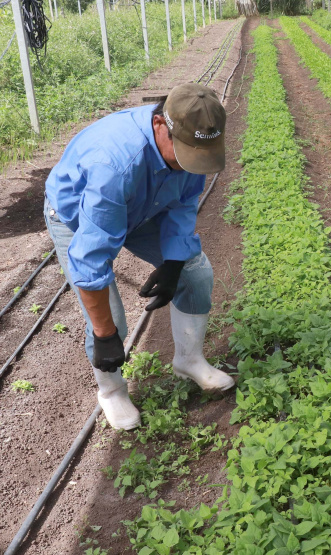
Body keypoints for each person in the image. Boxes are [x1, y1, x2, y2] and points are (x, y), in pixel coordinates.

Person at [43, 83, 234, 430]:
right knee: (109, 315)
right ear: (161, 125)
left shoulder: (189, 150)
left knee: (195, 270)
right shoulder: (114, 165)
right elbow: (91, 260)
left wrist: (174, 263)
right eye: (185, 153)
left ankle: (189, 360)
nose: (192, 163)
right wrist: (105, 335)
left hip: (144, 206)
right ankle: (112, 391)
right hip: (77, 216)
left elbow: (183, 203)